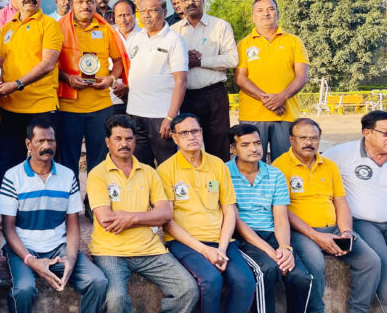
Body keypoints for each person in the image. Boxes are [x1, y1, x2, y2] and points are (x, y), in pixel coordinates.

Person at [88, 115, 199, 313]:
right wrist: (149, 217)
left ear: (135, 141)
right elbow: (106, 220)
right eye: (118, 139)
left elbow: (165, 214)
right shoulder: (98, 174)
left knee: (187, 289)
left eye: (129, 139)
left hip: (150, 250)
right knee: (116, 299)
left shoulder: (149, 172)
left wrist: (131, 218)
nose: (124, 144)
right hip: (110, 252)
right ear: (107, 142)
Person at [0, 119, 107, 313]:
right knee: (24, 290)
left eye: (51, 140)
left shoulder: (67, 175)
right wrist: (30, 260)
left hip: (58, 246)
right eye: (40, 141)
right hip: (23, 247)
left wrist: (71, 258)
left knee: (97, 281)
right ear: (28, 144)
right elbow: (8, 228)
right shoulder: (13, 176)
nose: (47, 145)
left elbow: (73, 224)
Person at [273, 118, 380, 313]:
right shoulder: (279, 167)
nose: (309, 142)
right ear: (291, 139)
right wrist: (317, 236)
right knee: (315, 263)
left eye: (314, 138)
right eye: (303, 138)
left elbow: (340, 201)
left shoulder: (329, 166)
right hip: (301, 232)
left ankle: (358, 310)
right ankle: (316, 310)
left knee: (370, 262)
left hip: (333, 228)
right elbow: (282, 210)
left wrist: (346, 231)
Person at [158, 113, 255, 313]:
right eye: (184, 133)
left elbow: (229, 210)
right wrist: (204, 250)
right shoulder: (166, 170)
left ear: (201, 133)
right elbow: (167, 221)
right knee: (210, 280)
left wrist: (222, 248)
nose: (191, 136)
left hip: (221, 241)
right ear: (175, 138)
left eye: (195, 131)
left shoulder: (217, 164)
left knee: (245, 282)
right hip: (185, 242)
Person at [226, 123, 312, 313]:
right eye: (245, 144)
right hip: (242, 237)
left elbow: (280, 217)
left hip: (272, 233)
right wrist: (270, 252)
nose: (254, 148)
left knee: (301, 277)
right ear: (233, 149)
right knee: (268, 269)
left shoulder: (274, 174)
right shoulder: (224, 173)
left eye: (257, 143)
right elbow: (235, 220)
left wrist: (285, 248)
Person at [0, 0, 63, 187]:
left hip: (41, 107)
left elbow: (48, 64)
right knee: (8, 164)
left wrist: (16, 84)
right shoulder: (7, 29)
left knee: (44, 162)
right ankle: (8, 204)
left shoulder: (50, 25)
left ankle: (48, 202)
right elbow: (0, 64)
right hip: (9, 107)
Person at [57, 0, 122, 174]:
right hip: (68, 107)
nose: (85, 6)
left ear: (95, 3)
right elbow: (50, 64)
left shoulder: (106, 29)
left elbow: (118, 61)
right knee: (67, 162)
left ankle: (95, 194)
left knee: (99, 163)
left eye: (89, 1)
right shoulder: (58, 28)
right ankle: (71, 195)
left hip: (100, 107)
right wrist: (67, 78)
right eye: (80, 2)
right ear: (71, 3)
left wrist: (111, 78)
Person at [324, 110, 387, 304]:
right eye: (385, 133)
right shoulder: (341, 154)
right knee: (382, 261)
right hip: (363, 222)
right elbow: (316, 170)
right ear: (367, 133)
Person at [235, 0, 309, 162]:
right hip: (253, 115)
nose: (265, 13)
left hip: (286, 114)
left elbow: (302, 76)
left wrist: (282, 97)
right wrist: (269, 101)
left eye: (270, 9)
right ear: (253, 17)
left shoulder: (294, 41)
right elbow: (240, 78)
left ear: (278, 13)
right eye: (260, 10)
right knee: (251, 163)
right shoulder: (243, 44)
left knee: (286, 164)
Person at [171, 0, 238, 162]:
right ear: (179, 4)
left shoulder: (220, 26)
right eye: (186, 0)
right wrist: (184, 59)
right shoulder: (173, 31)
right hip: (185, 96)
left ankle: (220, 179)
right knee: (188, 145)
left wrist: (201, 61)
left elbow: (232, 59)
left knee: (218, 146)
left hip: (214, 95)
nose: (191, 3)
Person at [127, 0, 187, 166]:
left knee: (167, 167)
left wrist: (170, 117)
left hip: (161, 117)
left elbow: (181, 81)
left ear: (164, 12)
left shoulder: (174, 40)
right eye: (142, 11)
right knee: (140, 168)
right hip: (135, 114)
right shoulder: (135, 38)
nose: (146, 15)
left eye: (152, 10)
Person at [109, 0, 139, 115]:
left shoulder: (144, 35)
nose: (123, 20)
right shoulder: (108, 35)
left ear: (134, 14)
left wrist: (128, 87)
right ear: (114, 17)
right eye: (119, 16)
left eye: (126, 15)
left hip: (138, 96)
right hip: (113, 97)